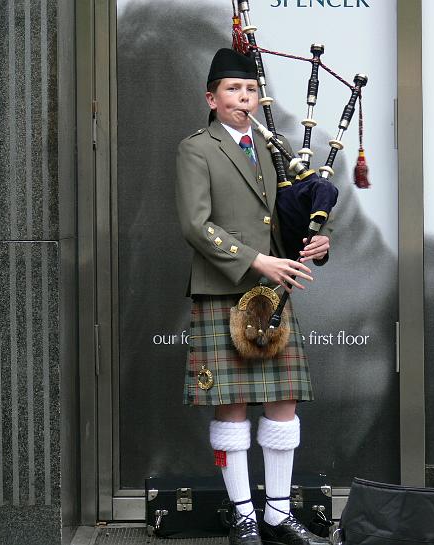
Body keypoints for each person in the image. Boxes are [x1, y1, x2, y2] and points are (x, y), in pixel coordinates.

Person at [175, 48, 332, 545]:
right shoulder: (196, 148)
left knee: (283, 403)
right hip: (225, 289)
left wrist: (317, 243)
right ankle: (243, 515)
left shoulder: (274, 147)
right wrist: (255, 260)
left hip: (271, 294)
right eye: (232, 91)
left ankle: (278, 515)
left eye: (250, 91)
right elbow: (196, 226)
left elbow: (287, 218)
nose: (244, 98)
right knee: (232, 407)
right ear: (212, 98)